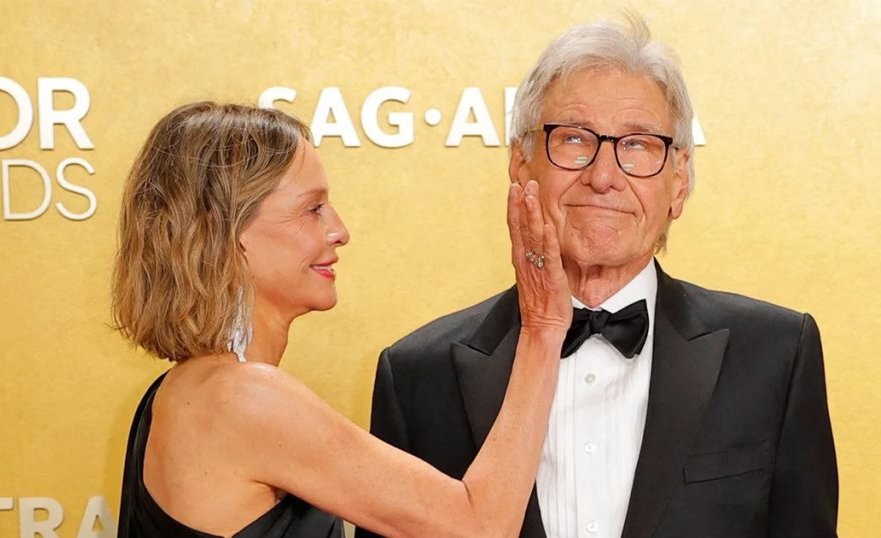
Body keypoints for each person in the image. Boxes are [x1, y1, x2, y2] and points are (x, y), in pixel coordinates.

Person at [356, 16, 838, 538]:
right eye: (573, 139)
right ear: (520, 163)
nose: (604, 177)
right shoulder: (417, 376)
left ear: (679, 181)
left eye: (637, 145)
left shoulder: (776, 354)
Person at [113, 101, 572, 537]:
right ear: (230, 231)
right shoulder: (241, 399)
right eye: (312, 209)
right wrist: (542, 330)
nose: (339, 231)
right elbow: (480, 527)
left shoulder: (179, 393)